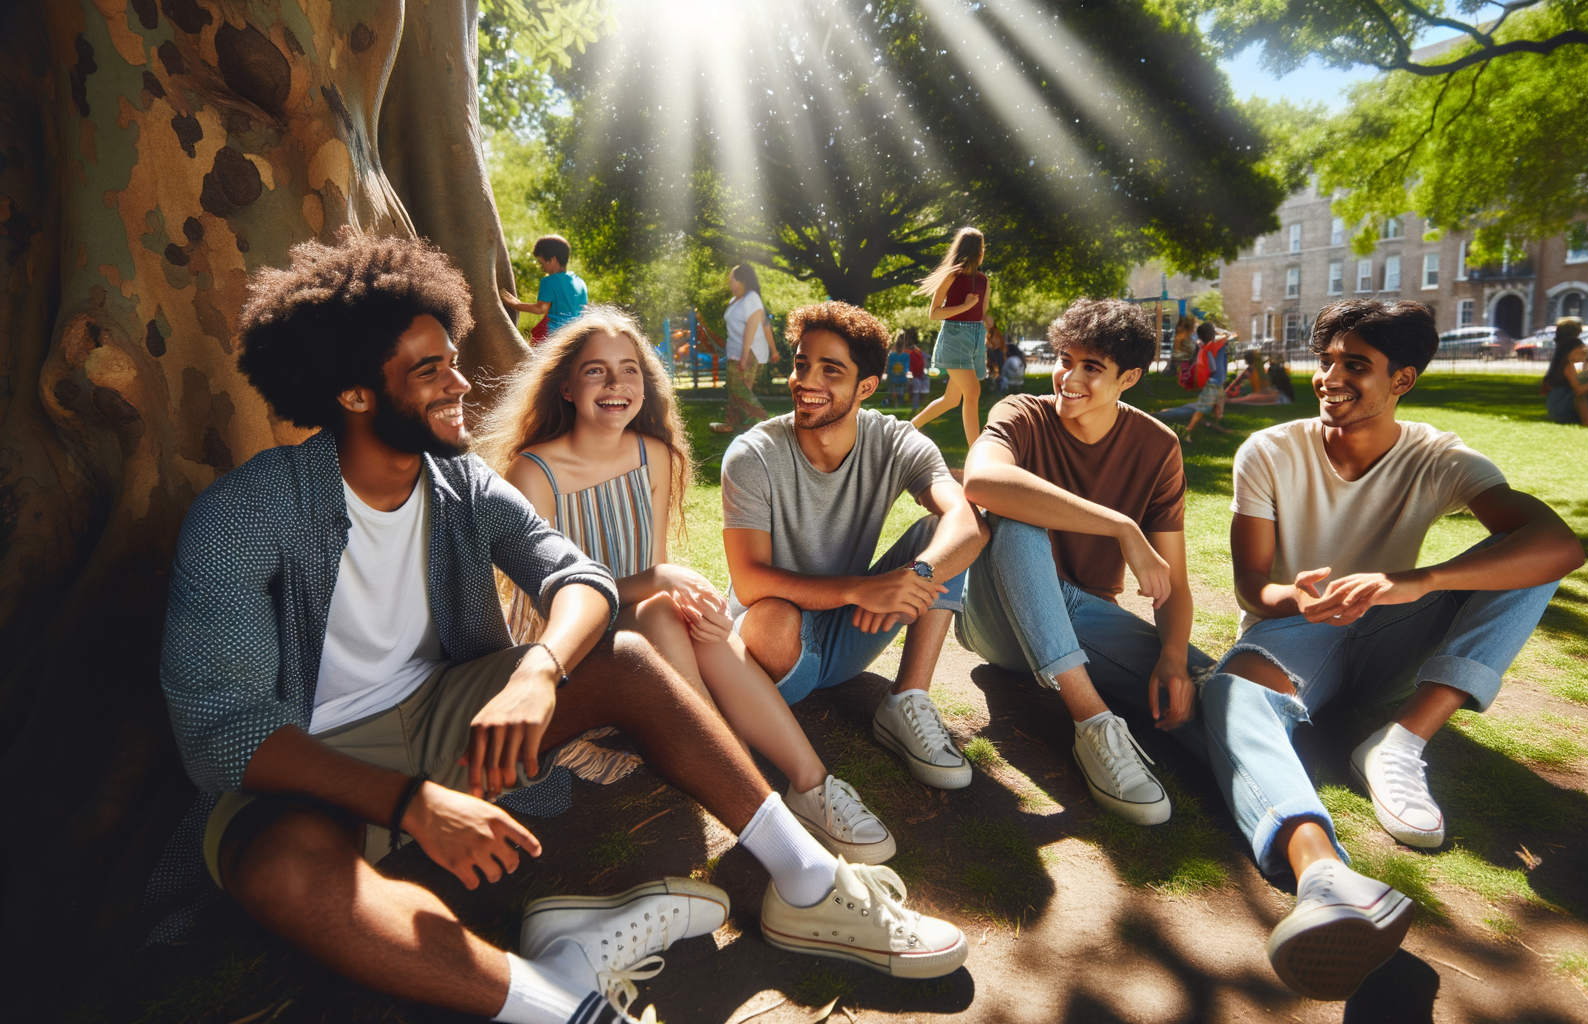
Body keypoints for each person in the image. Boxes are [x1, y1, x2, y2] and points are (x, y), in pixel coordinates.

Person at [153, 238, 967, 1024]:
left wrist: (539, 669)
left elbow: (575, 577)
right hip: (310, 762)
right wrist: (415, 804)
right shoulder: (244, 516)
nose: (460, 382)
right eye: (430, 370)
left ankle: (810, 883)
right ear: (354, 394)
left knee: (625, 656)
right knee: (282, 876)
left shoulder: (461, 482)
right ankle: (568, 1001)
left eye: (453, 359)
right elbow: (224, 736)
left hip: (447, 716)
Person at [1201, 298, 1584, 1000]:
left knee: (1532, 560)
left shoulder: (1438, 456)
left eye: (1355, 365)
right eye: (1324, 362)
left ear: (1402, 379)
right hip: (1295, 635)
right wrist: (1300, 599)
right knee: (1228, 693)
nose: (1330, 378)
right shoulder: (1270, 451)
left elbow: (1561, 543)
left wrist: (1419, 580)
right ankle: (1325, 877)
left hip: (1390, 632)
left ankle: (1399, 745)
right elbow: (1254, 587)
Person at [483, 307, 898, 864]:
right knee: (660, 608)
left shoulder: (653, 454)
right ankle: (745, 782)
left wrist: (676, 593)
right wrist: (660, 583)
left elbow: (650, 566)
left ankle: (811, 785)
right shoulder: (533, 471)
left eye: (629, 369)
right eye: (595, 371)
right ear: (565, 387)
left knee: (692, 617)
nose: (615, 384)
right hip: (564, 643)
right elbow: (545, 598)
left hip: (639, 620)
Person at [958, 299, 1210, 825]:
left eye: (1091, 367)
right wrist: (1121, 525)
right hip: (997, 612)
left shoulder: (1157, 446)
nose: (1068, 377)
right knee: (1019, 518)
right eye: (1064, 359)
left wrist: (1171, 656)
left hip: (1081, 616)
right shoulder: (1020, 414)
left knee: (1205, 687)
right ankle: (1094, 723)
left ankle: (1269, 813)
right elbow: (981, 482)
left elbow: (1176, 582)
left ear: (1129, 378)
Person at [721, 301, 988, 792]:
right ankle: (764, 707)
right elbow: (750, 580)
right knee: (773, 614)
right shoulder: (752, 454)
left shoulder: (896, 442)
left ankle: (907, 700)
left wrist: (919, 576)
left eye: (830, 370)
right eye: (802, 364)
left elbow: (967, 521)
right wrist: (857, 590)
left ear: (866, 386)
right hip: (772, 649)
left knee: (940, 538)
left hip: (850, 635)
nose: (806, 381)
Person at [909, 228, 991, 446]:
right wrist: (963, 306)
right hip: (954, 338)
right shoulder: (951, 276)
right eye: (982, 248)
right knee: (973, 392)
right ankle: (976, 454)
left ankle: (907, 430)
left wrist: (985, 323)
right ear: (975, 251)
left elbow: (981, 312)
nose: (983, 252)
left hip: (974, 339)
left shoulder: (984, 280)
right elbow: (934, 313)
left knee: (951, 400)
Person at [711, 264, 781, 434]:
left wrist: (747, 355)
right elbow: (765, 324)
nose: (730, 284)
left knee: (739, 390)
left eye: (732, 280)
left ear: (742, 281)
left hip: (749, 352)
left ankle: (764, 421)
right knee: (736, 390)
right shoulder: (735, 301)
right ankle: (734, 424)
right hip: (735, 351)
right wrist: (774, 351)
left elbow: (756, 326)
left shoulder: (752, 298)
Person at [501, 235, 588, 343]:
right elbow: (584, 310)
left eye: (542, 263)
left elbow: (540, 308)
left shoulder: (549, 281)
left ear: (552, 259)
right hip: (577, 336)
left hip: (556, 336)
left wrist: (517, 305)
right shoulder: (580, 281)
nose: (542, 268)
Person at [1181, 321, 1231, 437]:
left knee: (1219, 405)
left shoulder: (1206, 346)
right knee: (1201, 408)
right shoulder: (1215, 345)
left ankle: (1217, 425)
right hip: (1214, 383)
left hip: (1217, 383)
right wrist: (1219, 330)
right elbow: (1229, 335)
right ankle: (1188, 429)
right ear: (1212, 334)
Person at [1226, 350, 1295, 406]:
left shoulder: (1255, 369)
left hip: (1279, 397)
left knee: (1255, 398)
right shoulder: (1257, 369)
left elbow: (1260, 391)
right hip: (1279, 396)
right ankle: (1230, 400)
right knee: (1254, 398)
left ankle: (1230, 401)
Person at [904, 327, 930, 412]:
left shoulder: (913, 354)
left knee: (915, 390)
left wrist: (910, 371)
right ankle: (916, 404)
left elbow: (914, 364)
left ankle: (915, 406)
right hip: (919, 373)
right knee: (916, 390)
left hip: (917, 374)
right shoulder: (918, 353)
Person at [884, 332, 912, 408]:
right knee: (896, 389)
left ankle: (896, 401)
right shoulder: (901, 355)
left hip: (897, 378)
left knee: (897, 388)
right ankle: (896, 401)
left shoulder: (895, 355)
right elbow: (905, 368)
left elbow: (906, 367)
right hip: (897, 377)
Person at [985, 312, 1007, 386]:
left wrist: (989, 340)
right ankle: (992, 380)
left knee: (1000, 367)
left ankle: (1000, 382)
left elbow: (995, 344)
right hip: (995, 352)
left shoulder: (995, 332)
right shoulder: (990, 333)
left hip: (997, 351)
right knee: (993, 366)